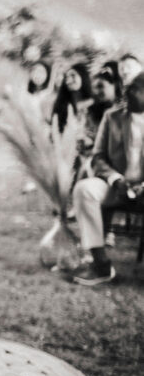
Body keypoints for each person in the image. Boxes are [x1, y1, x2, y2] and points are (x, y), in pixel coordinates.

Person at [71, 71, 144, 286]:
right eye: (128, 88)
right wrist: (115, 179)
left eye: (136, 89)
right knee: (84, 189)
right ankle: (100, 265)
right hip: (116, 185)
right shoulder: (112, 117)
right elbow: (98, 157)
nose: (128, 93)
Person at [50, 62, 92, 134]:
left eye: (73, 75)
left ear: (83, 76)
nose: (68, 81)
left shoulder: (94, 103)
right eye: (66, 77)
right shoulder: (61, 104)